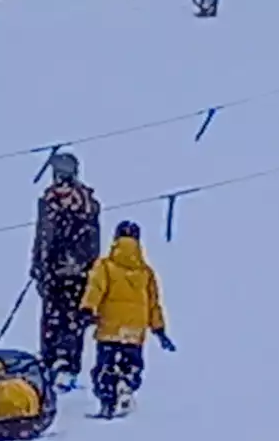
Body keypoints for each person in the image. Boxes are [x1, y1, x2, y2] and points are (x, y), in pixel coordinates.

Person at [79, 221, 176, 419]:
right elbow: (153, 304)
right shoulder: (146, 272)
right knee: (132, 364)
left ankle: (107, 402)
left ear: (115, 239)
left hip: (110, 328)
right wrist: (159, 331)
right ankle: (126, 385)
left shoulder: (105, 265)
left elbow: (95, 288)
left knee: (104, 367)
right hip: (134, 330)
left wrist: (87, 309)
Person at [30, 151, 101, 391]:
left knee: (62, 318)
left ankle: (63, 365)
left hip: (69, 272)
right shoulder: (78, 201)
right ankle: (56, 363)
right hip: (60, 271)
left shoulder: (80, 204)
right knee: (62, 319)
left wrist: (40, 262)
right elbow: (42, 236)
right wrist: (37, 263)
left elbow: (45, 237)